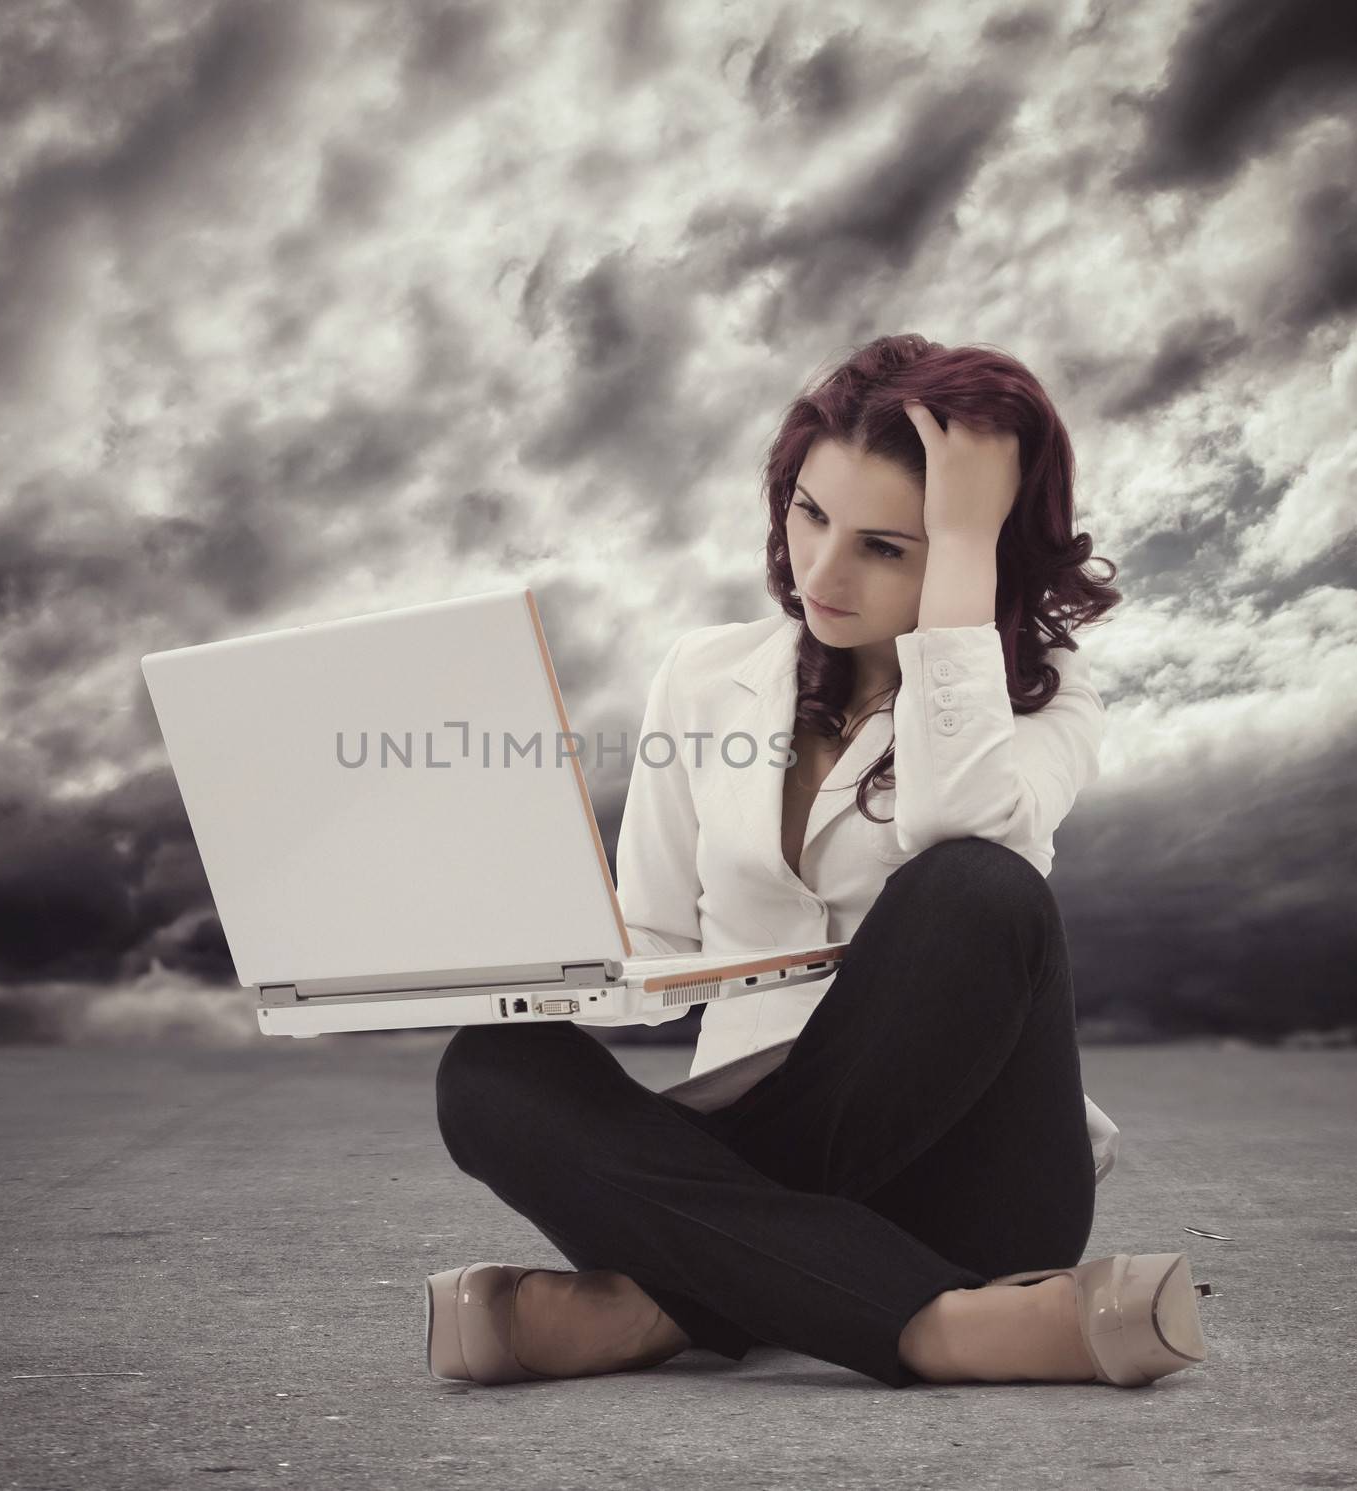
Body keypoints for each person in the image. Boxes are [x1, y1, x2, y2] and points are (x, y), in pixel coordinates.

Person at [426, 334, 1212, 1390]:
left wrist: (964, 559)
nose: (821, 573)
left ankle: (657, 1299)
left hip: (972, 1178)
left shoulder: (1047, 694)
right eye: (808, 513)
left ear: (979, 550)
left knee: (975, 889)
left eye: (887, 546)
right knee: (487, 1070)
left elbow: (964, 838)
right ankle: (940, 1328)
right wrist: (506, 950)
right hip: (751, 1149)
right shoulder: (706, 675)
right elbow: (654, 939)